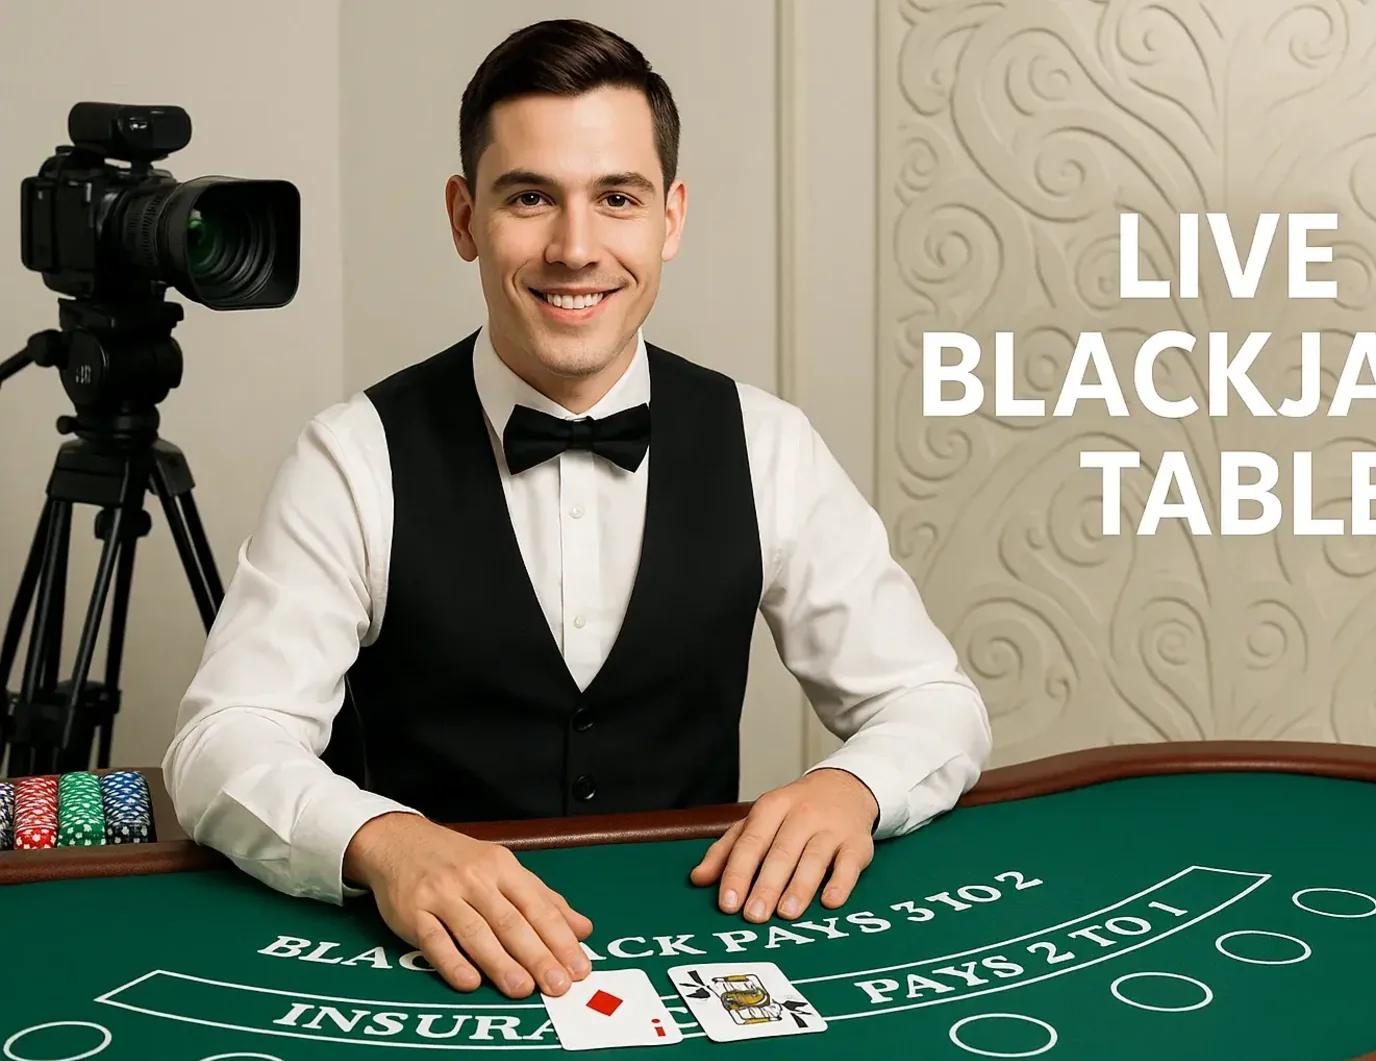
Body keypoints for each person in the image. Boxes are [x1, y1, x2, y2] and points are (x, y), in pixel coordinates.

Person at [162, 17, 991, 1004]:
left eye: (617, 198)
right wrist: (385, 843)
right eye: (529, 197)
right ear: (465, 217)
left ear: (670, 218)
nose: (575, 247)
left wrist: (849, 787)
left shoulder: (768, 443)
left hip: (700, 955)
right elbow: (221, 743)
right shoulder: (352, 454)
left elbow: (934, 703)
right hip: (422, 970)